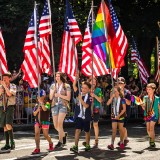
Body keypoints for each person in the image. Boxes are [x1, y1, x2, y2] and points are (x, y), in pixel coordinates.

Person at [70, 76, 92, 153]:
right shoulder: (79, 93)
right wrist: (76, 78)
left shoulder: (90, 97)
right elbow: (74, 86)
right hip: (79, 116)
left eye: (85, 88)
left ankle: (88, 145)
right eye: (82, 88)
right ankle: (75, 146)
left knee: (87, 131)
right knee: (77, 130)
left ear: (89, 89)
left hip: (86, 117)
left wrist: (80, 99)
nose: (83, 89)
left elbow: (86, 105)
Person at [49, 72, 71, 148]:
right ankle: (64, 134)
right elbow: (50, 98)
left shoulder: (66, 86)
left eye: (58, 76)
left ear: (61, 77)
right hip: (54, 105)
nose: (57, 77)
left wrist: (60, 95)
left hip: (63, 105)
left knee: (59, 123)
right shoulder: (53, 86)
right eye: (56, 76)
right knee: (55, 125)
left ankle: (60, 141)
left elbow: (68, 98)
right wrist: (54, 91)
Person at [32, 89, 54, 154]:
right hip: (37, 121)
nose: (39, 97)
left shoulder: (47, 103)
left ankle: (50, 143)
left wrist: (41, 104)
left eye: (41, 96)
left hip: (45, 121)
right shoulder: (36, 105)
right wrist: (37, 110)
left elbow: (45, 109)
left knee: (45, 135)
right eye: (38, 96)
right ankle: (37, 148)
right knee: (36, 134)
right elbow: (34, 114)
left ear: (44, 96)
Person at [0, 72, 17, 150]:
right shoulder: (0, 87)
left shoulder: (13, 86)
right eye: (3, 78)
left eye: (6, 78)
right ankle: (7, 144)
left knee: (8, 124)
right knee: (4, 126)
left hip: (10, 106)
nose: (4, 79)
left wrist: (4, 86)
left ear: (10, 78)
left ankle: (12, 142)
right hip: (2, 106)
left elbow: (10, 94)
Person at [140, 83, 160, 147]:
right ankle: (151, 138)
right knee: (148, 129)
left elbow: (159, 108)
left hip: (154, 115)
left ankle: (152, 141)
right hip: (147, 115)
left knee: (151, 128)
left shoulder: (157, 98)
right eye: (147, 89)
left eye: (149, 89)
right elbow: (144, 108)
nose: (148, 90)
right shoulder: (145, 98)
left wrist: (159, 118)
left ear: (153, 90)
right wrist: (141, 105)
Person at [107, 86, 126, 150]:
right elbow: (107, 104)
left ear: (118, 92)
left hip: (120, 116)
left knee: (121, 130)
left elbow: (124, 109)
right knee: (114, 130)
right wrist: (111, 97)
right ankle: (112, 144)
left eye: (115, 91)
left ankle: (121, 142)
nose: (114, 92)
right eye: (113, 91)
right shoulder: (112, 98)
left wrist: (119, 115)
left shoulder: (122, 99)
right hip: (114, 116)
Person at [89, 77, 103, 147]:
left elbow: (100, 100)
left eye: (94, 81)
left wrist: (94, 95)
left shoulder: (99, 90)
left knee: (95, 124)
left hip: (96, 108)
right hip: (88, 108)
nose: (93, 82)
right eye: (92, 81)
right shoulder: (87, 89)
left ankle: (96, 140)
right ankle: (87, 140)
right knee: (88, 124)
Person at [117, 77, 131, 146]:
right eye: (118, 82)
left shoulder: (127, 92)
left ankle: (121, 141)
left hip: (125, 111)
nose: (119, 84)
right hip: (118, 111)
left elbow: (129, 103)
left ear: (124, 84)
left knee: (122, 126)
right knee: (123, 126)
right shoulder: (115, 91)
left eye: (121, 83)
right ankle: (126, 138)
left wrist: (123, 98)